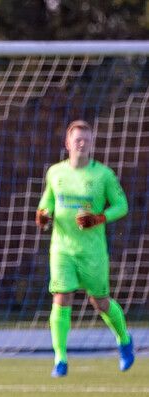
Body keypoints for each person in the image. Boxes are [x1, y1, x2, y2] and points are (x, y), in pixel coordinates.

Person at [36, 120, 134, 377]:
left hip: (92, 251)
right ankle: (60, 359)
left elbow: (121, 205)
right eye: (77, 139)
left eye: (86, 140)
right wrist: (43, 216)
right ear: (67, 143)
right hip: (62, 248)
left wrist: (99, 218)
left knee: (100, 302)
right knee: (61, 296)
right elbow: (46, 204)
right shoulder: (56, 173)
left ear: (91, 144)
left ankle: (124, 340)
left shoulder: (103, 175)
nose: (81, 143)